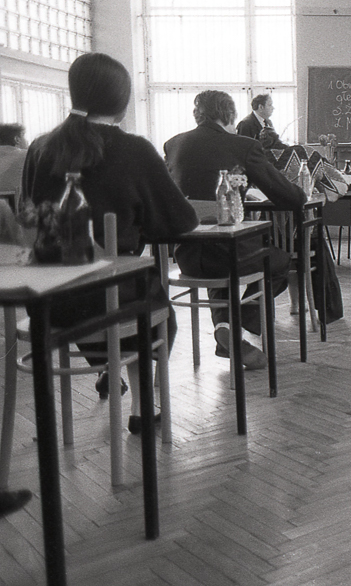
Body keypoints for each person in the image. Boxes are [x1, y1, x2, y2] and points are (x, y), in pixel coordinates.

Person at [21, 52, 199, 433]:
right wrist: (138, 229)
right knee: (155, 310)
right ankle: (141, 406)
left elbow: (31, 213)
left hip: (49, 300)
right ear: (122, 101)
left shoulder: (39, 148)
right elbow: (181, 221)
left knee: (108, 292)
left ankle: (107, 365)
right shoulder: (134, 150)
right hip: (111, 298)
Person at [165, 90, 305, 369]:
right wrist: (300, 192)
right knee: (279, 260)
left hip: (186, 256)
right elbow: (289, 197)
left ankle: (225, 327)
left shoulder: (173, 144)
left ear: (197, 114)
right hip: (229, 253)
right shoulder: (244, 145)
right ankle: (240, 319)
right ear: (229, 114)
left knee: (220, 256)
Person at [0, 123, 27, 195]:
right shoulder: (27, 156)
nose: (27, 141)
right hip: (17, 201)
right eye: (24, 137)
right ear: (17, 139)